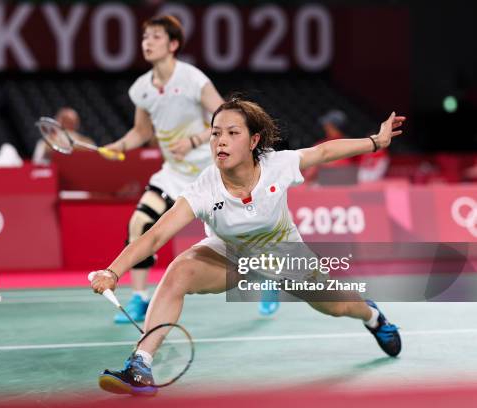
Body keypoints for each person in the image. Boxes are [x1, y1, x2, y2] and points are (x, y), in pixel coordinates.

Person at [90, 97, 406, 396]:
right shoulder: (204, 187)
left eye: (232, 133)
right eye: (215, 133)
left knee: (339, 307)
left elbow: (322, 153)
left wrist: (375, 141)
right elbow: (155, 235)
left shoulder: (276, 165)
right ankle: (141, 364)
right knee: (179, 272)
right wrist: (113, 271)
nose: (220, 141)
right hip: (230, 256)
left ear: (253, 141)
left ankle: (374, 317)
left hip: (285, 255)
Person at [99, 15, 234, 323]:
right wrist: (119, 146)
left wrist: (196, 139)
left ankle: (267, 282)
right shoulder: (142, 88)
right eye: (145, 36)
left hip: (209, 172)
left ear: (173, 44)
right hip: (173, 174)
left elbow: (226, 116)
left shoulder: (192, 79)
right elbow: (141, 132)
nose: (147, 42)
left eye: (156, 37)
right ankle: (139, 298)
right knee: (139, 223)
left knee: (241, 235)